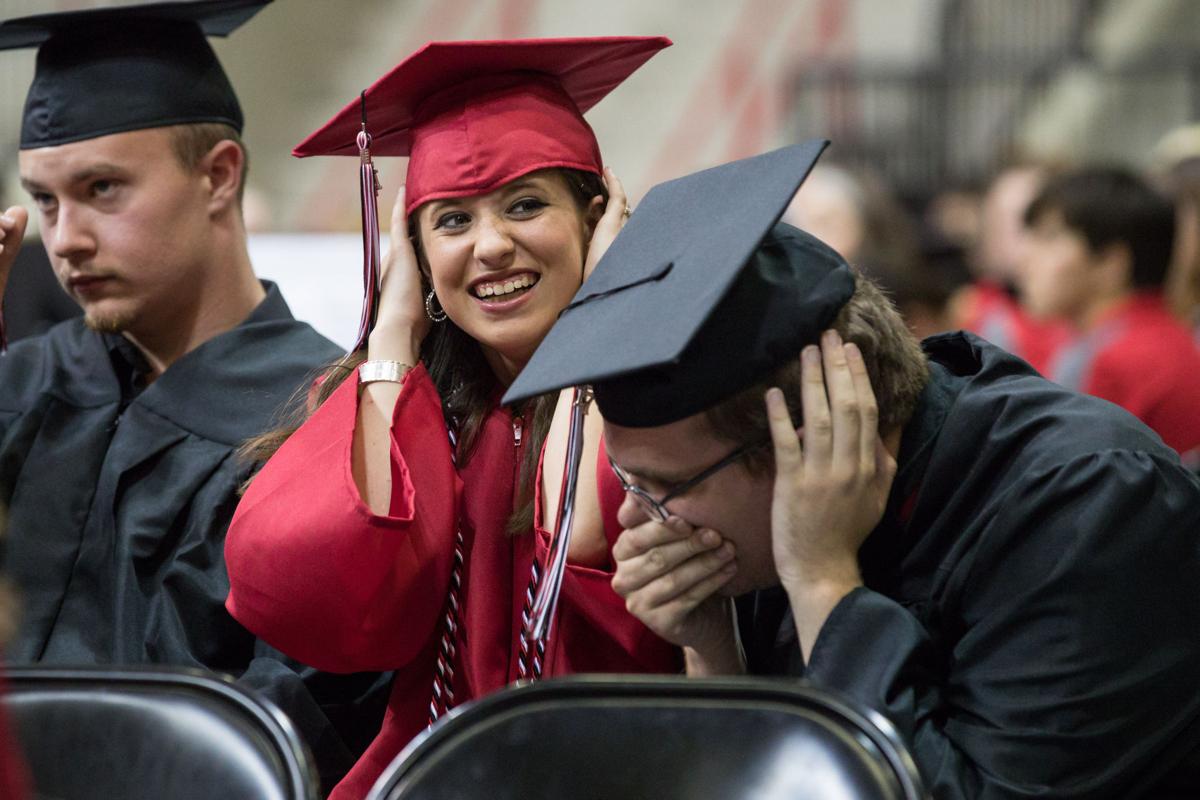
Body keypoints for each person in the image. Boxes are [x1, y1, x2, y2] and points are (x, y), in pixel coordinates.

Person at [505, 142, 1200, 798]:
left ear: (814, 439)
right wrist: (719, 653)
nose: (634, 519)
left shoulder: (1088, 502)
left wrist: (825, 585)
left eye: (663, 489)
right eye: (631, 484)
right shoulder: (760, 524)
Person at [224, 37, 679, 799]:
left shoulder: (672, 392)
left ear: (597, 218)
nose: (493, 247)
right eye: (452, 222)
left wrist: (610, 305)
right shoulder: (416, 415)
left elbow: (583, 527)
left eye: (527, 205)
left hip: (626, 772)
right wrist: (394, 328)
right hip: (430, 776)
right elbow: (326, 590)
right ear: (417, 252)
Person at [0, 2, 389, 791]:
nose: (65, 237)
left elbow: (293, 730)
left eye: (102, 189)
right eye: (44, 201)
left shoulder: (322, 425)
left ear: (219, 176)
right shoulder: (22, 387)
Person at [1018, 166, 1200, 463]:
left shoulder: (1118, 358)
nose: (1025, 259)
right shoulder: (1159, 336)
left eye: (1049, 238)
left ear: (1110, 262)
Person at [955, 162, 1070, 374]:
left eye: (1026, 222)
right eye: (996, 222)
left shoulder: (1086, 324)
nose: (1002, 237)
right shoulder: (976, 313)